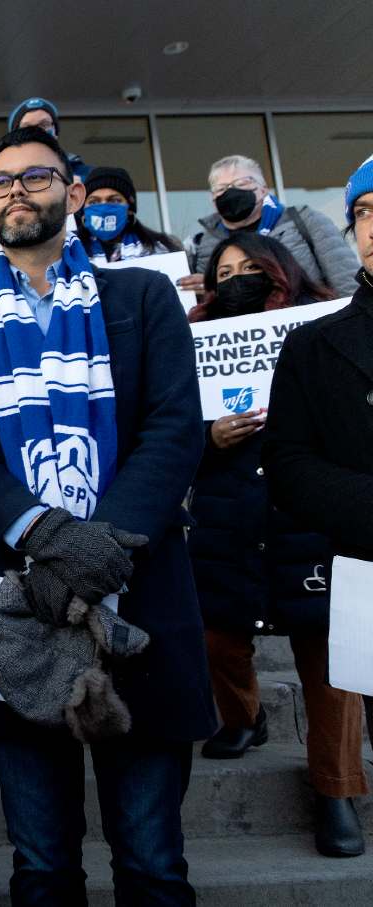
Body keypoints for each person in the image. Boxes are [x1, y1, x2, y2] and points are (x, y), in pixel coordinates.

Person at [0, 127, 214, 905]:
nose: (15, 192)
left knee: (152, 861)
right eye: (0, 183)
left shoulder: (143, 296)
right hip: (15, 605)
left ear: (74, 195)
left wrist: (101, 543)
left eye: (35, 177)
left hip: (137, 589)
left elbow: (175, 427)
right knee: (42, 864)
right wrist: (46, 535)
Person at [184, 232, 366, 857]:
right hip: (228, 521)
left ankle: (336, 789)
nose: (237, 279)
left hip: (307, 516)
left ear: (281, 272)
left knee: (328, 661)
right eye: (224, 271)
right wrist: (208, 436)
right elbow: (164, 434)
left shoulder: (322, 338)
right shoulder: (188, 344)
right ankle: (243, 717)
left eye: (251, 268)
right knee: (219, 638)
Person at [263, 155, 373, 840]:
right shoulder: (313, 346)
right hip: (353, 556)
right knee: (337, 681)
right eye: (366, 213)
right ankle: (337, 789)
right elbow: (288, 463)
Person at [181, 154, 360, 297]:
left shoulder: (304, 221)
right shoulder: (201, 246)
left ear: (263, 189)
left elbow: (346, 280)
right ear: (213, 199)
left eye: (242, 183)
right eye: (221, 189)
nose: (231, 191)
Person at [74, 166, 182, 264]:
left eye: (114, 201)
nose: (104, 209)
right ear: (84, 208)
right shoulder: (67, 248)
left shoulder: (163, 246)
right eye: (94, 202)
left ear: (130, 208)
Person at [7, 97, 90, 180]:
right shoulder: (2, 177)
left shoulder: (88, 176)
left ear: (55, 132)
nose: (37, 131)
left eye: (44, 124)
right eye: (27, 127)